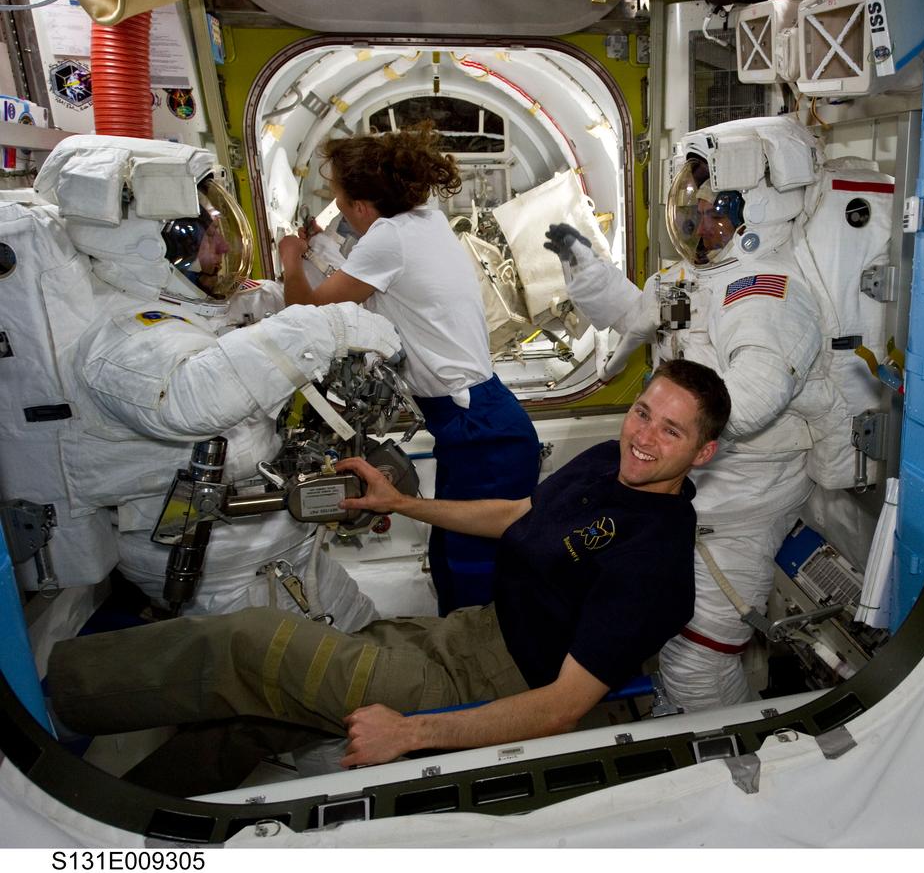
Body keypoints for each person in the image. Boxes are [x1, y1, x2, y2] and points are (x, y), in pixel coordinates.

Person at [47, 360, 730, 793]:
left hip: (483, 685)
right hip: (459, 636)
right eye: (643, 411)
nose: (643, 435)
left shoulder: (656, 567)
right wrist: (402, 503)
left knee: (248, 645)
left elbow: (560, 710)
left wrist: (412, 734)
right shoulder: (608, 465)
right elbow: (519, 514)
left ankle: (48, 699)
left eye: (670, 431)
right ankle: (122, 812)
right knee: (267, 714)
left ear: (704, 452)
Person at [544, 116, 891, 710]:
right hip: (695, 496)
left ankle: (727, 765)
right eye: (695, 206)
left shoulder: (767, 295)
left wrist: (657, 435)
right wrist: (586, 269)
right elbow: (635, 317)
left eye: (715, 210)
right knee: (664, 633)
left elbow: (750, 402)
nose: (699, 222)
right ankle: (686, 730)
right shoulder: (700, 277)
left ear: (758, 214)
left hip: (742, 506)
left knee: (700, 653)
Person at [0, 135, 401, 629]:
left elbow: (253, 317)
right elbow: (188, 396)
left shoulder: (188, 308)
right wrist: (328, 328)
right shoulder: (123, 338)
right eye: (210, 235)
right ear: (160, 246)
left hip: (283, 555)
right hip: (224, 586)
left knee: (367, 639)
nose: (226, 246)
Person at [276, 123, 541, 617]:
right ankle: (462, 665)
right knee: (448, 559)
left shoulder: (389, 239)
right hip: (480, 419)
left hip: (481, 432)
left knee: (474, 573)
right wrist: (322, 248)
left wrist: (292, 260)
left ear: (359, 207)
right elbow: (375, 279)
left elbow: (306, 313)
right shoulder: (423, 219)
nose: (337, 211)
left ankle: (487, 674)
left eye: (336, 199)